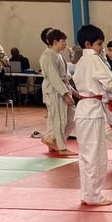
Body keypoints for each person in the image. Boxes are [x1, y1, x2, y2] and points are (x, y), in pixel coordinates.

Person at [72, 23, 112, 207]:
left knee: (85, 155)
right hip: (92, 110)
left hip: (83, 109)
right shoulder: (94, 59)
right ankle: (94, 195)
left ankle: (87, 193)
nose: (101, 48)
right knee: (96, 155)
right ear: (88, 44)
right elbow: (110, 82)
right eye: (99, 44)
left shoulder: (81, 61)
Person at [39, 28, 75, 156]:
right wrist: (65, 94)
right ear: (55, 42)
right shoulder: (47, 56)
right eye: (63, 41)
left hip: (62, 88)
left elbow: (64, 77)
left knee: (70, 119)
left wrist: (73, 91)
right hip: (54, 92)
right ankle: (61, 147)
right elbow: (54, 77)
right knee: (59, 120)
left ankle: (51, 139)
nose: (65, 44)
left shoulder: (58, 54)